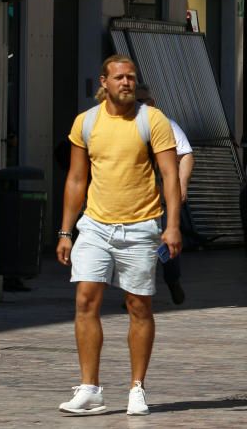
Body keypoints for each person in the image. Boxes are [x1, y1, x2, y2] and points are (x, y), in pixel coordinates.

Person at [55, 55, 182, 416]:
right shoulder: (87, 121)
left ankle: (137, 387)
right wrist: (66, 230)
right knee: (85, 300)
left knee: (138, 305)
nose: (126, 82)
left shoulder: (152, 120)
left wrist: (172, 226)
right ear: (104, 82)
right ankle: (89, 388)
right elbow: (77, 179)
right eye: (119, 77)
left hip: (141, 227)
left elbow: (169, 177)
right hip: (94, 225)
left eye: (131, 77)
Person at [135, 84, 193, 305]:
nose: (143, 106)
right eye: (138, 102)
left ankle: (172, 279)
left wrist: (182, 185)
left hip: (159, 197)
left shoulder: (165, 125)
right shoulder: (121, 126)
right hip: (131, 200)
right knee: (138, 246)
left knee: (164, 244)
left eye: (146, 101)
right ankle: (134, 292)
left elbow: (185, 154)